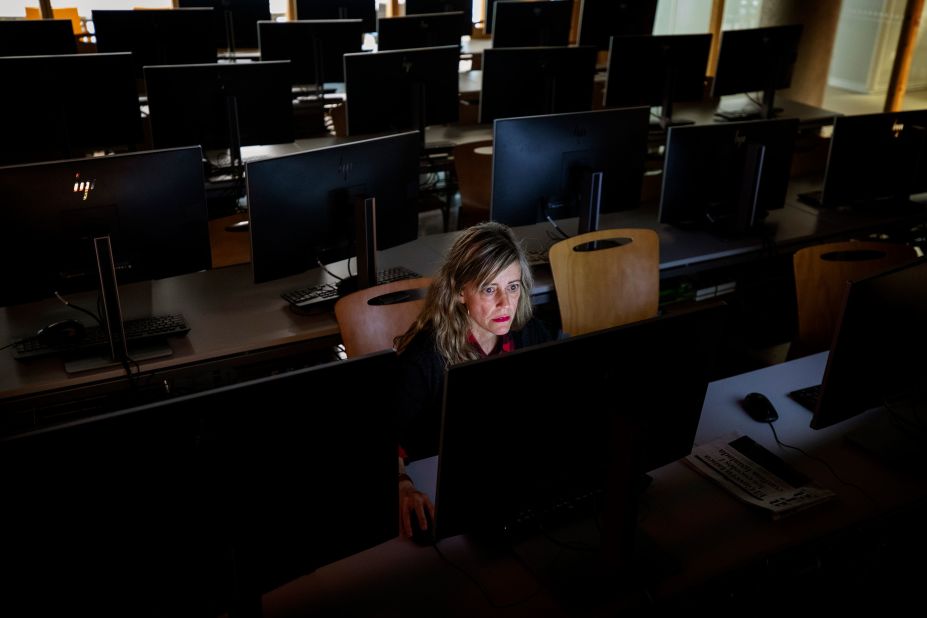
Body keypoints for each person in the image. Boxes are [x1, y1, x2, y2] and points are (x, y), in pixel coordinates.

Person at [392, 221, 554, 539]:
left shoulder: (530, 333)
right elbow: (378, 434)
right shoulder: (425, 357)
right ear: (460, 292)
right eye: (489, 289)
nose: (505, 304)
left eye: (513, 286)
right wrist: (402, 485)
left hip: (506, 474)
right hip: (441, 482)